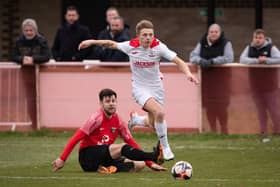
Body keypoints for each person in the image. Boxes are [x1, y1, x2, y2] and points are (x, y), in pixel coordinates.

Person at [79, 20, 199, 161]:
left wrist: (188, 74)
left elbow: (179, 61)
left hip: (157, 88)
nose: (148, 38)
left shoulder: (159, 47)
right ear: (138, 36)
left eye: (151, 35)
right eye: (145, 35)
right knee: (159, 112)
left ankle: (137, 120)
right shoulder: (131, 46)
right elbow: (110, 44)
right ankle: (166, 148)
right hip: (140, 88)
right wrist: (92, 42)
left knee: (154, 124)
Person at [52, 88, 166, 173]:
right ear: (101, 104)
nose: (111, 104)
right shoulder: (96, 118)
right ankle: (153, 155)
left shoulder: (119, 121)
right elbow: (76, 138)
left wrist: (150, 165)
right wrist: (62, 159)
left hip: (105, 156)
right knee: (121, 147)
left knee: (140, 164)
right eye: (107, 101)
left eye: (113, 101)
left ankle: (107, 169)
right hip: (88, 156)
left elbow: (131, 142)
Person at [189, 23, 234, 134]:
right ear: (208, 33)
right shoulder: (202, 42)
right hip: (207, 81)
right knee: (209, 106)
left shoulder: (226, 43)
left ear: (220, 33)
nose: (213, 34)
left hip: (222, 81)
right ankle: (213, 130)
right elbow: (192, 56)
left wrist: (213, 61)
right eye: (211, 32)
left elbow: (229, 58)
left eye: (216, 32)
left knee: (221, 106)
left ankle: (224, 128)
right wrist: (201, 61)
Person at [240, 29, 280, 134]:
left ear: (264, 38)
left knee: (273, 110)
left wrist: (266, 60)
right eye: (255, 37)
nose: (257, 40)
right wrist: (257, 61)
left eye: (260, 38)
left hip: (270, 86)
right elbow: (242, 59)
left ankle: (277, 130)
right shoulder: (249, 47)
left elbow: (279, 59)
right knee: (260, 110)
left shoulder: (272, 48)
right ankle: (263, 131)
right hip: (255, 85)